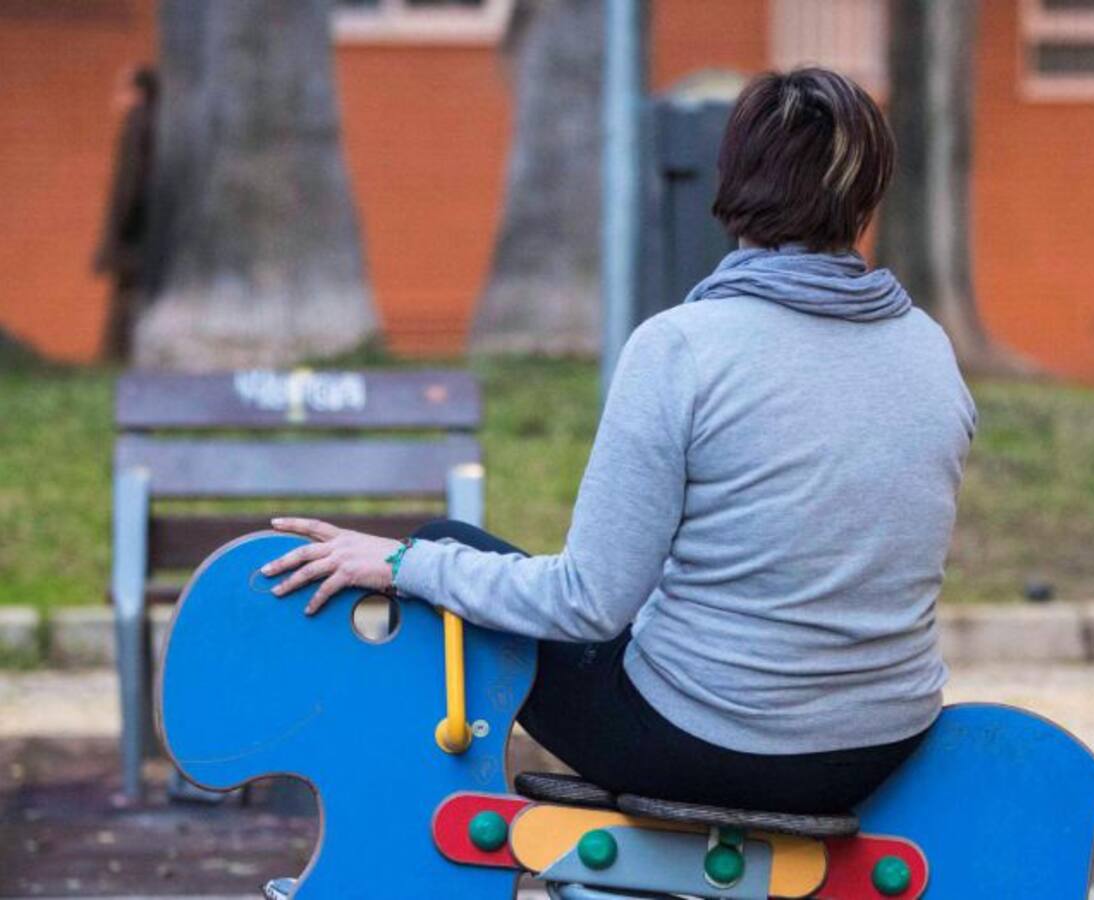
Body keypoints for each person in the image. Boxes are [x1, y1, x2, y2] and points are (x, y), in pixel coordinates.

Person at [264, 67, 976, 816]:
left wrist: (406, 564)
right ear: (867, 194)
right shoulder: (928, 347)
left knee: (445, 549)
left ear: (733, 180)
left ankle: (403, 827)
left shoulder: (684, 347)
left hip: (713, 746)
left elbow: (586, 603)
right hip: (880, 747)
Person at [93, 65, 157, 363]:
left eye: (124, 89)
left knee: (127, 301)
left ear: (138, 92)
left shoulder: (139, 122)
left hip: (136, 234)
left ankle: (119, 359)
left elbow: (131, 184)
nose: (117, 97)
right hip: (143, 233)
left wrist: (118, 233)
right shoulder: (154, 121)